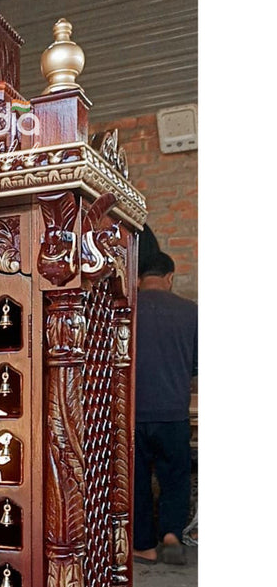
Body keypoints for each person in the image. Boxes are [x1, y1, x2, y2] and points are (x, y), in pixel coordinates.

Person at [133, 239, 198, 566]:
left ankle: (143, 546)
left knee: (137, 480)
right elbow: (198, 364)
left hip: (132, 413)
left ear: (139, 277)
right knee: (175, 477)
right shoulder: (191, 312)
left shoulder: (124, 311)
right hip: (173, 412)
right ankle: (172, 537)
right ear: (170, 277)